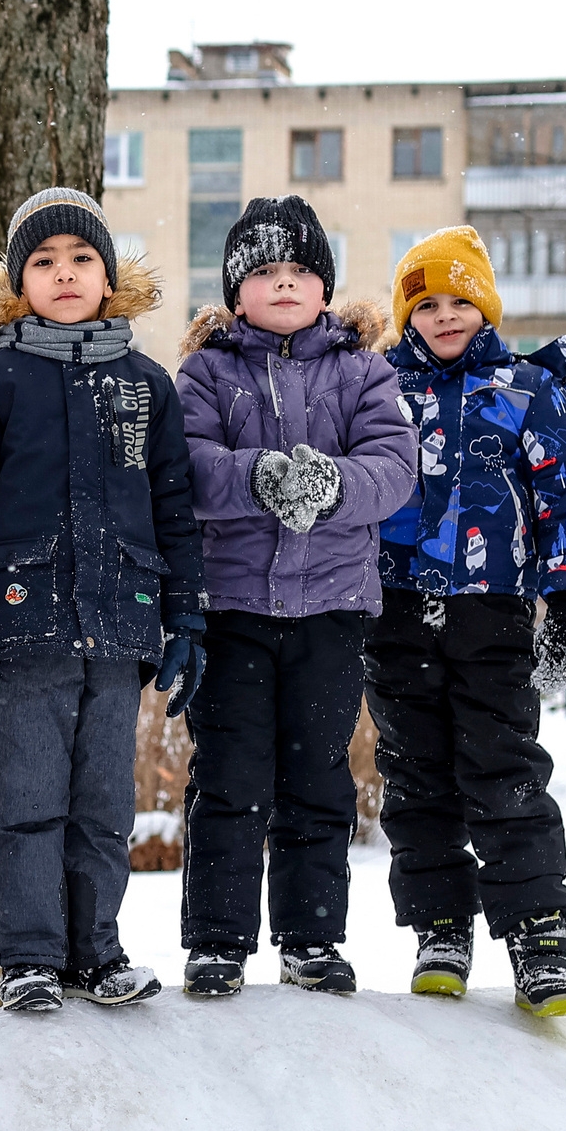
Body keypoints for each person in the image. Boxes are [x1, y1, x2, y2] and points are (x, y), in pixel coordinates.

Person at [0, 188, 205, 1014]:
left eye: (82, 258)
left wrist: (186, 613)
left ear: (109, 276)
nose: (65, 272)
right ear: (18, 282)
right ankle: (31, 957)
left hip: (119, 625)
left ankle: (98, 949)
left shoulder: (146, 385)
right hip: (22, 621)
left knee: (105, 802)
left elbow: (175, 505)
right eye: (43, 261)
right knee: (25, 796)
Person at [172, 197, 418, 998]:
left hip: (330, 612)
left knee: (318, 777)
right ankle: (217, 937)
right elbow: (189, 466)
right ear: (236, 291)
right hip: (233, 609)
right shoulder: (208, 371)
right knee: (230, 775)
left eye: (300, 272)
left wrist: (330, 482)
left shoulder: (363, 370)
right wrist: (256, 476)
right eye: (265, 273)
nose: (284, 285)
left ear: (325, 287)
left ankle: (311, 936)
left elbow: (394, 467)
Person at [370, 225, 566, 1018]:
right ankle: (441, 925)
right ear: (406, 314)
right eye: (425, 302)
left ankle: (538, 935)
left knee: (503, 769)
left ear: (486, 305)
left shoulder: (526, 391)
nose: (443, 316)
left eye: (458, 300)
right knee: (416, 773)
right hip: (395, 611)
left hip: (492, 612)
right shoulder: (378, 391)